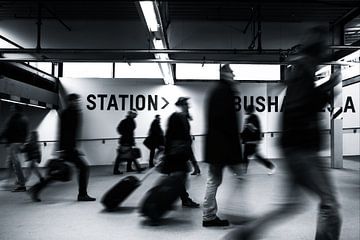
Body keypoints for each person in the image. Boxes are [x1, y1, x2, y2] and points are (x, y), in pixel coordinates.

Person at [221, 26, 341, 240]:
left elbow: (298, 103)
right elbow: (300, 105)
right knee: (329, 203)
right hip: (303, 149)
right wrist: (329, 87)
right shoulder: (304, 68)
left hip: (294, 148)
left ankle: (245, 234)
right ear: (319, 49)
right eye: (324, 49)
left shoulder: (300, 69)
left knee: (290, 204)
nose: (326, 53)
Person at [29, 93, 96, 202]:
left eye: (78, 100)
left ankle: (36, 189)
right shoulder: (66, 114)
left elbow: (73, 133)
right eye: (75, 101)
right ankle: (82, 194)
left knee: (61, 173)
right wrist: (61, 150)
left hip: (70, 148)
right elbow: (63, 132)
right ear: (70, 101)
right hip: (67, 148)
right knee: (83, 168)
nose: (78, 102)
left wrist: (75, 148)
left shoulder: (76, 113)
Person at [202, 64, 243, 227]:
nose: (233, 74)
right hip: (222, 147)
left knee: (215, 179)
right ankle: (209, 215)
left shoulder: (216, 91)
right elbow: (228, 124)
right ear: (225, 74)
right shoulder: (224, 91)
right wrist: (235, 152)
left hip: (216, 146)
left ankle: (210, 214)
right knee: (215, 180)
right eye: (231, 72)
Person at [161, 97, 200, 208]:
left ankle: (178, 199)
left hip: (179, 152)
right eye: (186, 105)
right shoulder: (177, 117)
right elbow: (171, 136)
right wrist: (167, 152)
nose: (188, 107)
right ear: (181, 105)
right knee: (179, 178)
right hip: (177, 153)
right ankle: (180, 199)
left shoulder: (181, 118)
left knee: (178, 177)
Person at [0, 104, 28, 192]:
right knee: (10, 162)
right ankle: (9, 181)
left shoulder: (12, 119)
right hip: (19, 143)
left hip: (13, 144)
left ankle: (21, 184)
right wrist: (23, 142)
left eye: (12, 109)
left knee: (16, 164)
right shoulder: (24, 119)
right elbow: (26, 132)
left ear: (16, 110)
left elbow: (7, 131)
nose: (11, 110)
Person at [242, 105, 275, 175]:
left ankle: (271, 166)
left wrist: (249, 127)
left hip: (252, 141)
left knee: (252, 156)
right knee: (246, 155)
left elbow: (254, 129)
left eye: (246, 110)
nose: (245, 111)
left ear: (249, 111)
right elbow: (246, 131)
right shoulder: (248, 119)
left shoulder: (254, 118)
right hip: (248, 141)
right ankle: (243, 171)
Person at [113, 109, 144, 174]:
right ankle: (137, 168)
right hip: (126, 140)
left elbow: (120, 130)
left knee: (126, 155)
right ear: (131, 114)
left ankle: (129, 168)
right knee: (127, 155)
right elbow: (127, 132)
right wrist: (126, 135)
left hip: (126, 140)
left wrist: (126, 136)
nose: (136, 115)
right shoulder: (128, 121)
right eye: (135, 114)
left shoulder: (128, 121)